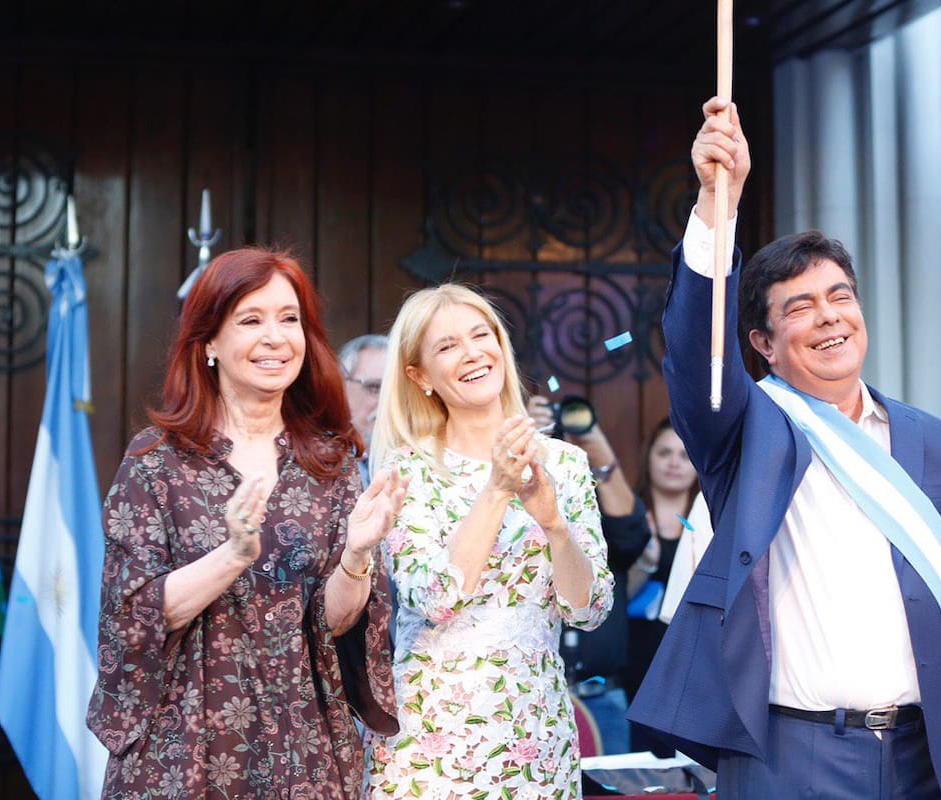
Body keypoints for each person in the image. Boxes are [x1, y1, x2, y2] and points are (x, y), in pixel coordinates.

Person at [627, 97, 941, 800]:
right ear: (761, 345)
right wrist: (716, 206)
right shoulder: (746, 428)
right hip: (785, 754)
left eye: (840, 296)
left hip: (924, 750)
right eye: (799, 307)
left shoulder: (930, 440)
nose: (828, 316)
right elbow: (696, 354)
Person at [86, 248, 407, 798]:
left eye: (289, 319)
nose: (275, 337)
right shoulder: (157, 461)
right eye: (251, 320)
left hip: (301, 742)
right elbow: (132, 615)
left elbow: (333, 624)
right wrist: (234, 552)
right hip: (183, 745)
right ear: (209, 341)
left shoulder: (329, 464)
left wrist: (356, 556)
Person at [363, 284, 614, 797]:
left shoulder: (564, 464)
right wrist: (498, 488)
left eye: (482, 335)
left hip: (536, 733)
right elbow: (434, 597)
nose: (472, 352)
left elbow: (591, 610)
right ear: (420, 376)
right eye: (447, 346)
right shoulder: (406, 470)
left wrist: (555, 527)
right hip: (433, 737)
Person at [527, 394, 651, 755]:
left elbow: (631, 534)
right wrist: (528, 447)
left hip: (602, 696)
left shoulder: (588, 492)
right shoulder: (505, 482)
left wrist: (596, 447)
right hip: (533, 695)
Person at [622, 418, 700, 752]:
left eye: (685, 455)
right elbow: (607, 602)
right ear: (648, 458)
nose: (674, 462)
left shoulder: (709, 519)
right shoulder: (626, 519)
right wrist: (645, 562)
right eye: (665, 452)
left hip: (692, 675)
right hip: (631, 674)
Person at [340, 333, 389, 484]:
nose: (386, 402)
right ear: (341, 386)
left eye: (396, 392)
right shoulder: (317, 460)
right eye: (374, 387)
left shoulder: (423, 459)